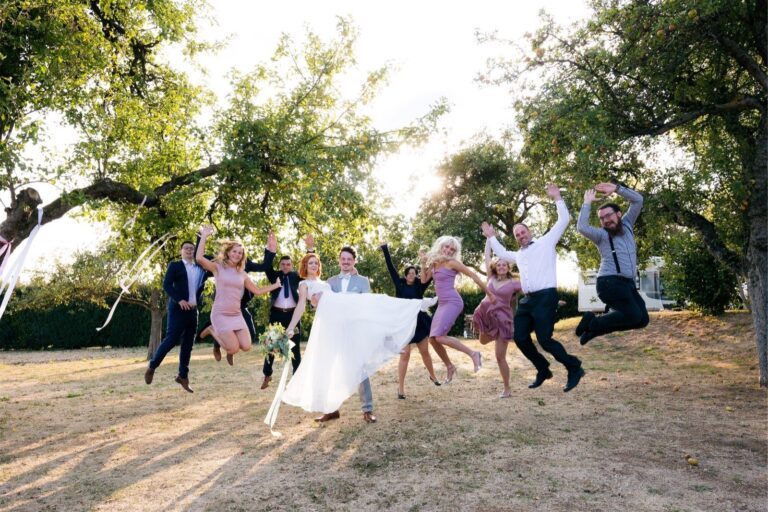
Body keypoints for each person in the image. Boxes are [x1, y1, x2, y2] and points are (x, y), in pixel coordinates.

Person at [280, 250, 430, 425]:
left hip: (354, 330)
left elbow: (368, 306)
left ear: (354, 261)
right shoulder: (330, 282)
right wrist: (312, 304)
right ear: (339, 261)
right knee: (328, 368)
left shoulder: (362, 281)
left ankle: (367, 410)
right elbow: (318, 304)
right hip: (332, 330)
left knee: (361, 368)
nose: (345, 262)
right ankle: (331, 410)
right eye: (342, 259)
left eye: (349, 259)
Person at [481, 183, 585, 393]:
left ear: (530, 231)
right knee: (519, 337)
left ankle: (574, 367)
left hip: (546, 297)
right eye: (517, 234)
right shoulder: (518, 255)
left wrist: (557, 198)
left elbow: (564, 220)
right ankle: (543, 369)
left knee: (545, 339)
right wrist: (491, 237)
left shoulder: (546, 242)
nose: (521, 236)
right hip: (528, 301)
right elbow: (501, 252)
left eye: (523, 232)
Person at [575, 182, 649, 345]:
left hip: (627, 284)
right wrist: (587, 203)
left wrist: (616, 189)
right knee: (633, 315)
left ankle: (593, 329)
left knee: (642, 320)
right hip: (609, 283)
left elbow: (638, 200)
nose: (606, 220)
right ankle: (592, 322)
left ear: (619, 214)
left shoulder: (628, 224)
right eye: (602, 218)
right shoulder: (601, 235)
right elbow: (581, 227)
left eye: (608, 216)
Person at [196, 225, 282, 357]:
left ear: (243, 256)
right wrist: (203, 237)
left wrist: (276, 285)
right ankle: (212, 330)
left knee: (247, 346)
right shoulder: (218, 267)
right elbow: (199, 258)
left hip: (236, 314)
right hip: (221, 314)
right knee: (233, 349)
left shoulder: (242, 273)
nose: (237, 254)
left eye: (240, 253)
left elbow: (257, 291)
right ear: (228, 252)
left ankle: (226, 338)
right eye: (234, 251)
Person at [422, 236, 495, 379]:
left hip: (453, 302)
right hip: (442, 304)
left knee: (440, 337)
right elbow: (424, 280)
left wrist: (489, 293)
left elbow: (473, 275)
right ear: (441, 246)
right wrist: (423, 262)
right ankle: (450, 366)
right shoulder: (435, 263)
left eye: (452, 249)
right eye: (447, 247)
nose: (449, 251)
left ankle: (474, 354)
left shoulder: (452, 263)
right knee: (432, 339)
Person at [380, 242, 444, 399]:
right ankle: (401, 389)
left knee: (424, 351)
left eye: (414, 273)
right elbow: (391, 268)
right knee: (405, 355)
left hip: (419, 323)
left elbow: (430, 273)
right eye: (409, 273)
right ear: (405, 274)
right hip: (403, 323)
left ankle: (433, 376)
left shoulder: (420, 285)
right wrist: (385, 249)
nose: (412, 275)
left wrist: (428, 259)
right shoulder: (399, 283)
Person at [145, 240, 206, 392]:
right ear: (181, 251)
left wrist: (202, 236)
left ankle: (182, 376)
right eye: (186, 248)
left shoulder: (201, 267)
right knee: (171, 340)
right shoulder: (175, 266)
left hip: (193, 311)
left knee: (188, 345)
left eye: (192, 249)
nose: (189, 251)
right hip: (178, 309)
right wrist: (179, 300)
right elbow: (166, 285)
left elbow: (216, 262)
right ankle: (152, 366)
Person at [259, 235, 315, 389]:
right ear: (280, 265)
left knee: (294, 347)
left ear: (291, 265)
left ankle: (297, 379)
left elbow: (308, 266)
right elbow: (266, 265)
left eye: (288, 264)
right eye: (283, 264)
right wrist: (269, 249)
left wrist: (310, 249)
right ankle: (267, 374)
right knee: (270, 345)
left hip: (292, 315)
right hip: (276, 314)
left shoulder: (296, 276)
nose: (285, 266)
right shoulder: (274, 275)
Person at [472, 239, 523, 398]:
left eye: (504, 264)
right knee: (482, 341)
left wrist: (553, 300)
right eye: (499, 264)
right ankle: (488, 338)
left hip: (503, 321)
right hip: (485, 315)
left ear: (508, 267)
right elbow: (487, 256)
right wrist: (488, 239)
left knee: (499, 357)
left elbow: (533, 290)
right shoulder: (490, 278)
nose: (501, 266)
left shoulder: (514, 283)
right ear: (495, 267)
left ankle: (507, 388)